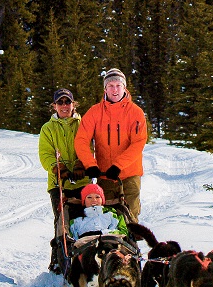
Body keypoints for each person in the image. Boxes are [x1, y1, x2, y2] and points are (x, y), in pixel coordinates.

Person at [74, 68, 147, 221]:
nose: (115, 90)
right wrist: (90, 165)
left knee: (130, 217)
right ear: (105, 88)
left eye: (118, 85)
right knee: (106, 218)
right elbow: (81, 140)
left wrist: (119, 165)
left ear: (124, 87)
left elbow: (138, 143)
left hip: (130, 174)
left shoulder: (136, 113)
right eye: (111, 86)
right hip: (105, 174)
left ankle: (130, 242)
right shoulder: (94, 112)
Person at [38, 88, 87, 273]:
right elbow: (45, 153)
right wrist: (57, 167)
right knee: (61, 220)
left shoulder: (83, 124)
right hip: (58, 183)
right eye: (61, 102)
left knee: (84, 218)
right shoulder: (47, 128)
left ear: (73, 104)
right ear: (55, 106)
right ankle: (58, 260)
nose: (64, 106)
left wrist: (82, 163)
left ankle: (83, 258)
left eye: (68, 102)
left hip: (82, 181)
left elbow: (89, 146)